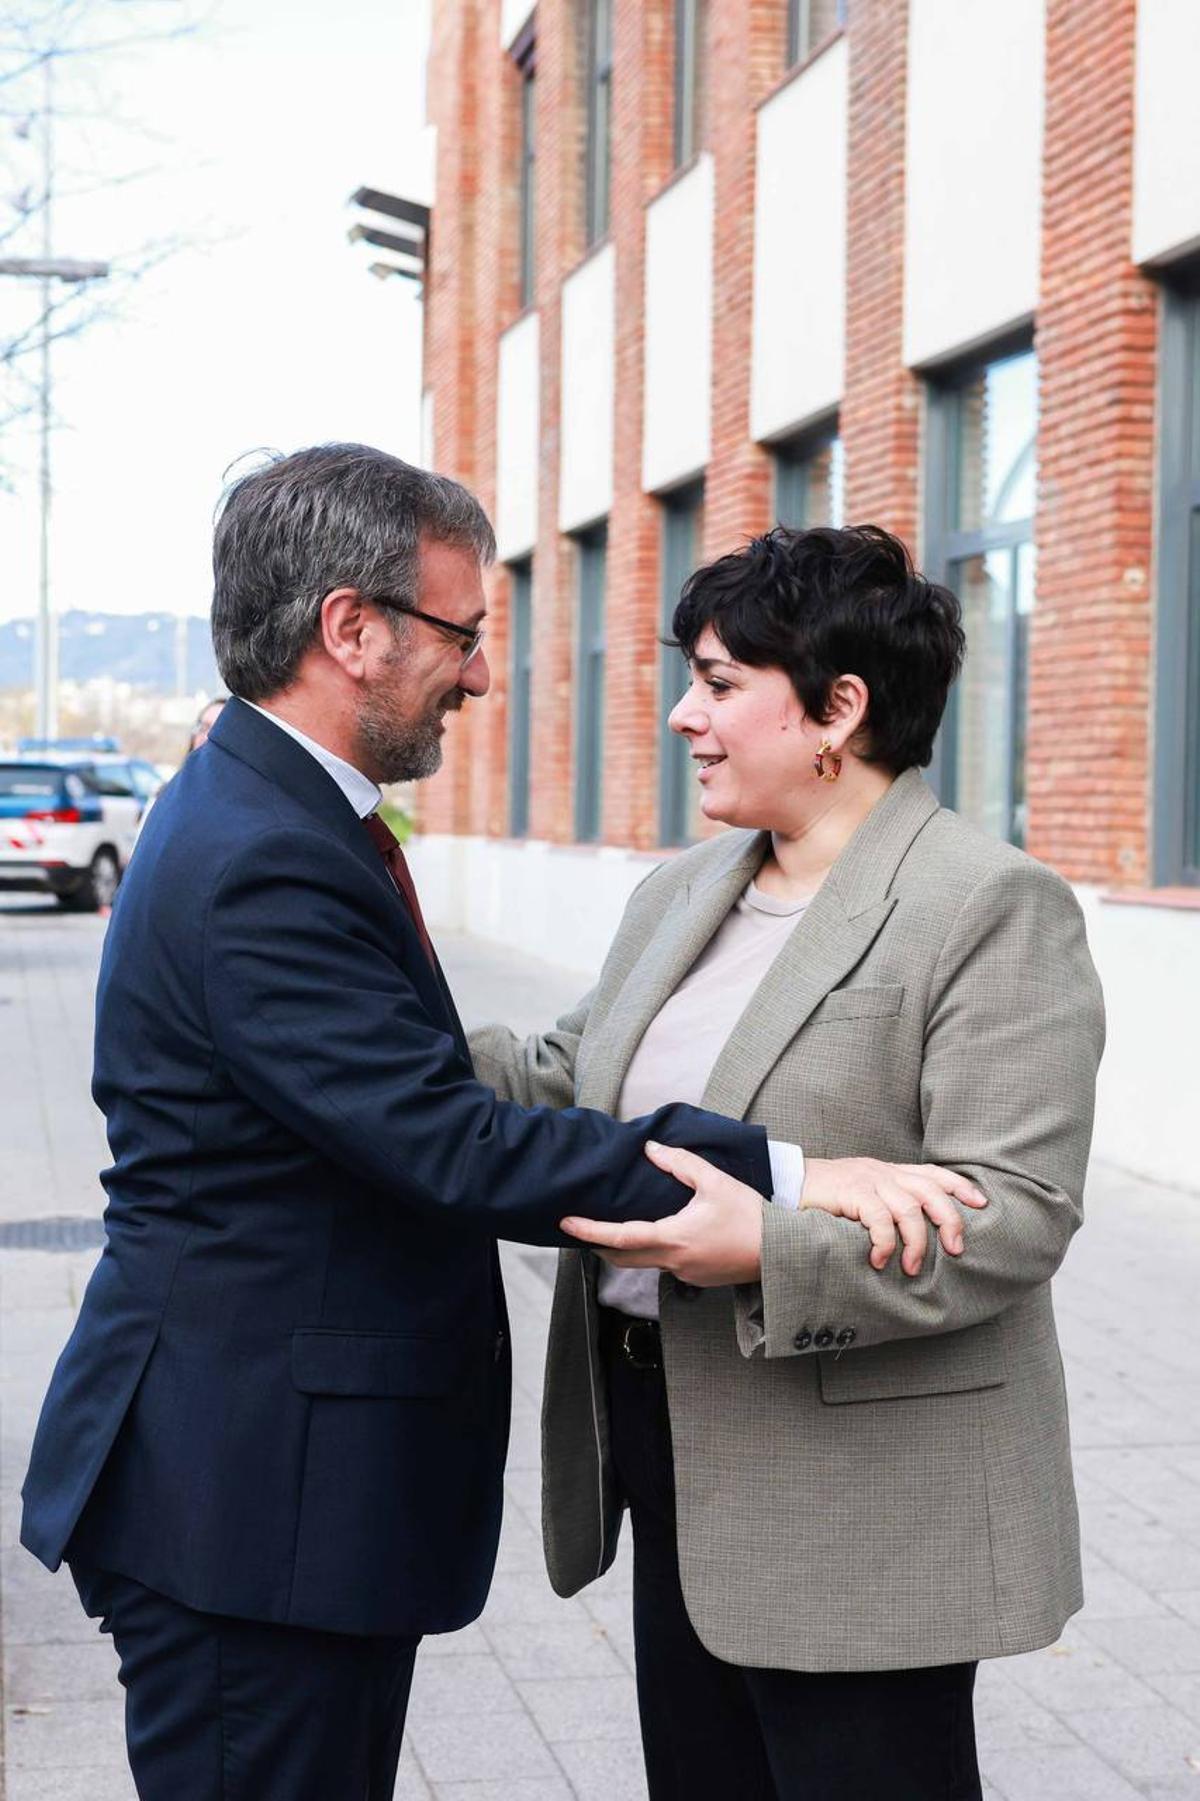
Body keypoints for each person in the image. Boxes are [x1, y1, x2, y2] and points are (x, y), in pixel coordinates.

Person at [18, 453, 967, 1801]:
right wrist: (796, 1172)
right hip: (245, 1506)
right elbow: (451, 1144)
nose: (478, 677)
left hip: (272, 1496)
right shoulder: (261, 854)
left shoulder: (270, 813)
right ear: (351, 630)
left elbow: (429, 1089)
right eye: (463, 635)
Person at [470, 524, 1106, 1801]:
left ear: (839, 709)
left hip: (863, 1487)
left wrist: (772, 1243)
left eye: (716, 682)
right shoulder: (687, 888)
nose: (681, 717)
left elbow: (1019, 1211)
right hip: (664, 1434)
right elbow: (562, 1076)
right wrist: (361, 1011)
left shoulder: (986, 904)